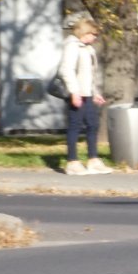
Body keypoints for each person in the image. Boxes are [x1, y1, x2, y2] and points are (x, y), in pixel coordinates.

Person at [57, 17, 111, 176]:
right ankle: (72, 162)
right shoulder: (72, 46)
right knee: (75, 126)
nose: (95, 37)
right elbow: (66, 70)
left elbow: (90, 75)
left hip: (87, 94)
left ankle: (93, 160)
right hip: (77, 94)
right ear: (84, 32)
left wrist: (95, 93)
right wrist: (74, 92)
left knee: (93, 125)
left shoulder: (88, 48)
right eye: (93, 34)